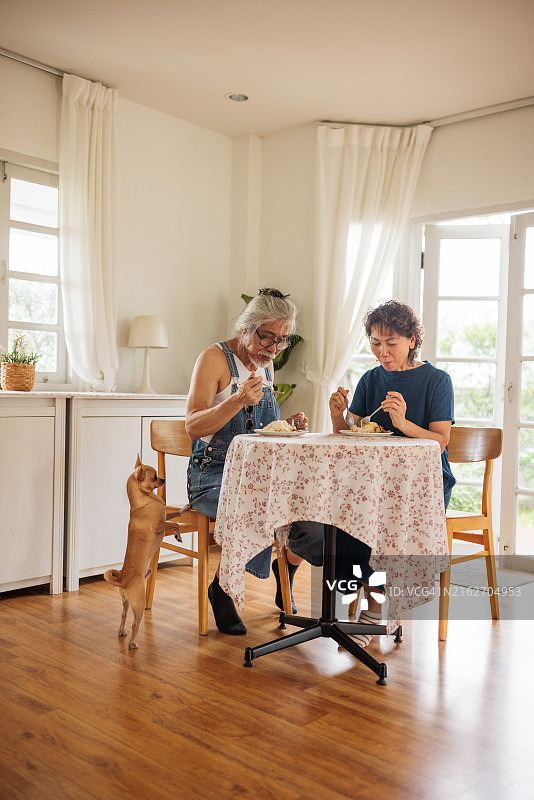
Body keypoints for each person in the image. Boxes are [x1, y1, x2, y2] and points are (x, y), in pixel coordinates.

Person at [287, 300, 456, 647]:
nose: (383, 352)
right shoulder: (370, 379)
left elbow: (440, 441)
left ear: (411, 339)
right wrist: (338, 416)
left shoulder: (437, 381)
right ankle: (360, 614)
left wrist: (402, 423)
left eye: (391, 343)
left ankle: (373, 613)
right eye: (375, 344)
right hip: (366, 480)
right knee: (345, 516)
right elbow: (352, 436)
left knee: (378, 520)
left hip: (420, 483)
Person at [185, 288, 307, 635]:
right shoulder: (214, 358)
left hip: (256, 474)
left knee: (306, 502)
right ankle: (222, 589)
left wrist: (290, 425)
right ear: (246, 327)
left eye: (281, 340)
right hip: (212, 473)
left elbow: (265, 429)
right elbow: (193, 426)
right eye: (267, 337)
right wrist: (236, 401)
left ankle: (287, 577)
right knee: (257, 502)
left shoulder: (266, 365)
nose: (273, 348)